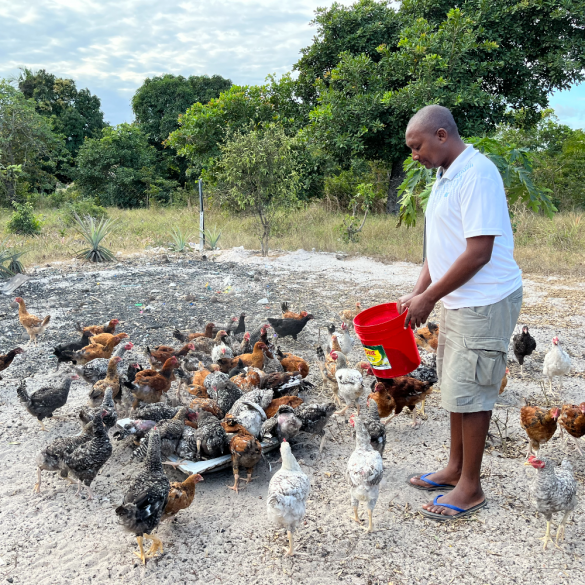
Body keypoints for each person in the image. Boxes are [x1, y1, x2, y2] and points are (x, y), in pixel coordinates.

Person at [398, 105, 522, 520]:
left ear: (440, 135)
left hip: (484, 300)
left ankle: (471, 487)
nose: (413, 155)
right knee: (455, 385)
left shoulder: (478, 174)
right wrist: (418, 293)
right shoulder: (443, 175)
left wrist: (429, 298)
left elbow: (478, 252)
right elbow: (441, 247)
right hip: (457, 299)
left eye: (416, 147)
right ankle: (454, 468)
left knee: (474, 391)